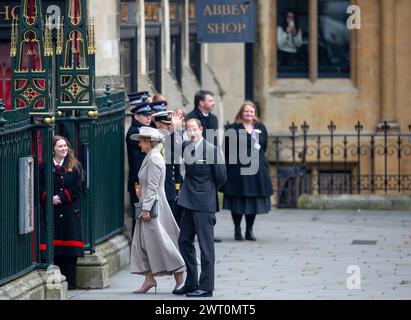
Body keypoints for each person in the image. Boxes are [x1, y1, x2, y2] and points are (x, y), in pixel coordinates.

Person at [173, 119, 226, 298]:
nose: (192, 133)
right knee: (184, 241)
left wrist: (207, 191)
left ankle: (206, 287)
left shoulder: (212, 150)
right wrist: (176, 128)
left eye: (194, 129)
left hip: (204, 202)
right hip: (187, 200)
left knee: (206, 246)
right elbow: (172, 145)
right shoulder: (186, 145)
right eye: (189, 130)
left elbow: (221, 177)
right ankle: (191, 282)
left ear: (201, 130)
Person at [129, 126, 185, 293]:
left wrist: (146, 209)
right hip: (149, 204)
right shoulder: (150, 156)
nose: (139, 144)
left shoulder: (154, 158)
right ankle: (149, 279)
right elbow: (149, 184)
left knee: (159, 243)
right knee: (144, 244)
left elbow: (153, 187)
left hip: (152, 208)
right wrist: (141, 190)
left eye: (141, 141)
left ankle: (179, 269)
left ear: (148, 141)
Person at [223, 101, 273, 241]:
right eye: (246, 111)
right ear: (241, 113)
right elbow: (227, 150)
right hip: (238, 170)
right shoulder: (233, 128)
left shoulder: (261, 128)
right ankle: (237, 229)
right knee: (238, 201)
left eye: (251, 112)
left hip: (256, 170)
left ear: (255, 114)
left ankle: (249, 230)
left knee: (252, 201)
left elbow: (264, 147)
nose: (248, 114)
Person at [39, 136, 84, 290]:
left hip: (70, 213)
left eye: (65, 146)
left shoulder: (75, 166)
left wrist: (61, 197)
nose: (64, 149)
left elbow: (78, 188)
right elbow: (39, 187)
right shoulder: (43, 167)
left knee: (70, 252)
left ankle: (71, 284)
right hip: (52, 213)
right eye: (60, 146)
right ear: (53, 149)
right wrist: (49, 198)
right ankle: (56, 286)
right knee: (56, 251)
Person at [186, 90, 222, 243]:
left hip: (212, 159)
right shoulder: (192, 118)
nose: (213, 103)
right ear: (201, 103)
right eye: (210, 100)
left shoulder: (213, 118)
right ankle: (194, 232)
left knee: (209, 202)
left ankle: (208, 232)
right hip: (197, 162)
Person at [126, 91, 152, 237]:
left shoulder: (142, 130)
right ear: (136, 116)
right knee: (139, 216)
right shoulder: (135, 133)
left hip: (143, 180)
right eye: (145, 115)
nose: (149, 118)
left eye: (149, 115)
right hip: (139, 182)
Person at [153, 111, 184, 226]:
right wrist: (175, 131)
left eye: (170, 124)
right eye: (166, 124)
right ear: (157, 124)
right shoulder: (155, 138)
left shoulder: (170, 137)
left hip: (170, 188)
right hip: (161, 189)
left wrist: (177, 186)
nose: (169, 126)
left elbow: (180, 151)